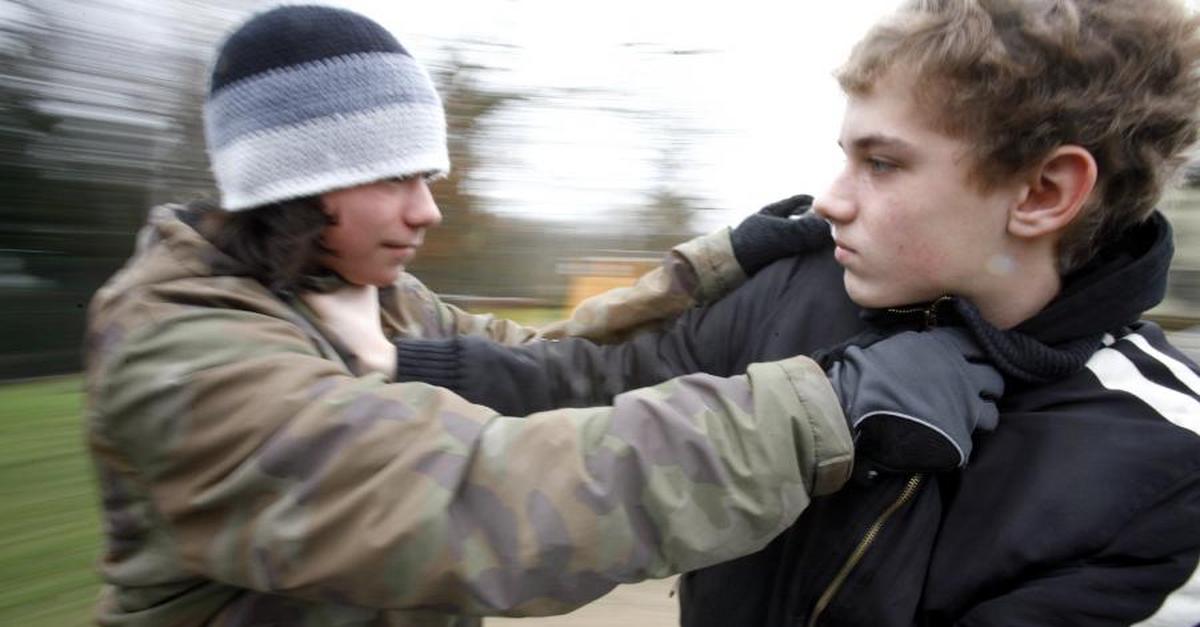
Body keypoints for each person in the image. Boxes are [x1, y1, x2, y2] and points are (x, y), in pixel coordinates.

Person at [82, 5, 1001, 626]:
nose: (425, 211)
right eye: (394, 177)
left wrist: (715, 266)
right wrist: (820, 413)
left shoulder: (370, 294)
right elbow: (470, 496)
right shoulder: (178, 355)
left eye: (428, 177)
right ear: (295, 183)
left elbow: (545, 371)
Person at [380, 0, 1200, 624]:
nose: (830, 200)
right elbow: (591, 384)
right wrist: (390, 359)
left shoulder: (1163, 453)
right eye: (846, 156)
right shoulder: (801, 285)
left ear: (1044, 192)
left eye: (882, 163)